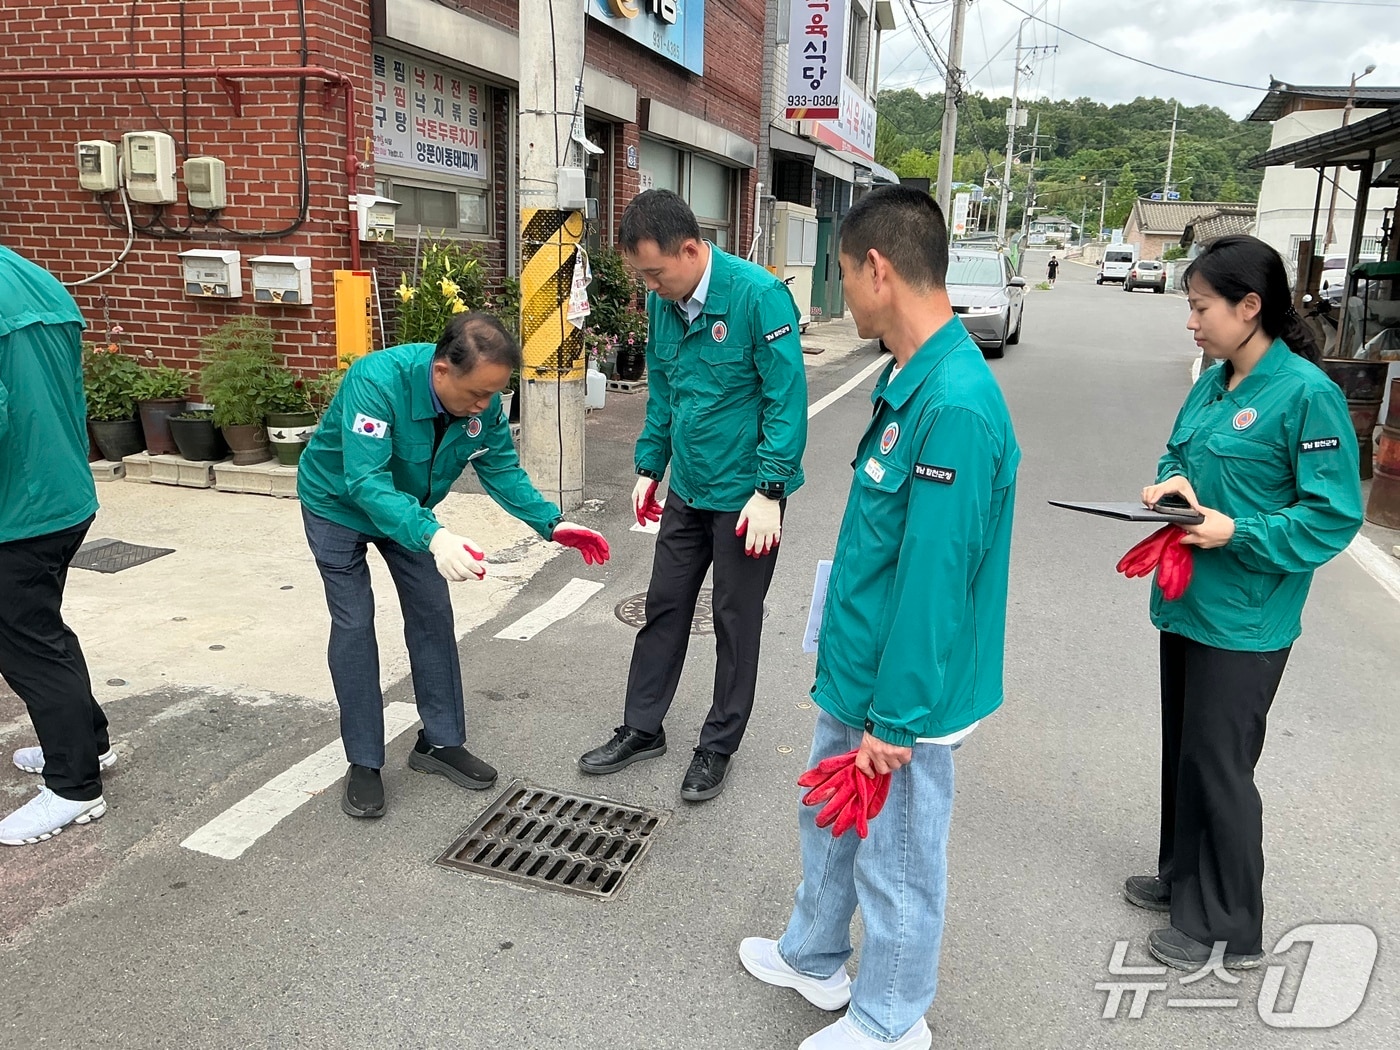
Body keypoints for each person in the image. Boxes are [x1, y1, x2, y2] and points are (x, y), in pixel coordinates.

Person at [739, 187, 1020, 1049]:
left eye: (841, 274)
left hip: (905, 698)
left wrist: (893, 720)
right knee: (831, 823)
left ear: (877, 269)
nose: (840, 294)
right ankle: (814, 956)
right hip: (860, 672)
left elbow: (936, 583)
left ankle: (892, 1020)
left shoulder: (957, 406)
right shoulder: (910, 375)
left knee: (896, 859)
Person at [1130, 235, 1363, 970]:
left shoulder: (1306, 395)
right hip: (1190, 603)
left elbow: (1332, 516)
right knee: (1186, 750)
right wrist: (1174, 485)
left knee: (1222, 762)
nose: (1191, 322)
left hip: (1247, 616)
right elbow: (1179, 450)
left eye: (1201, 308)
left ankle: (1230, 923)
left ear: (1250, 306)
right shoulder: (1216, 379)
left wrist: (1238, 530)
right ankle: (1182, 878)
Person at [297, 312, 610, 819]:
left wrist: (551, 523)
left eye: (495, 395)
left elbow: (500, 465)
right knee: (354, 623)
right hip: (337, 504)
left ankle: (439, 743)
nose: (485, 407)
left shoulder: (479, 401)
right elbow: (366, 481)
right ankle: (363, 760)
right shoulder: (376, 381)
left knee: (432, 614)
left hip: (413, 514)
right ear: (441, 371)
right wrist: (434, 535)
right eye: (477, 395)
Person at [577, 189, 807, 802]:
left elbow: (786, 400)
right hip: (690, 488)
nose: (650, 286)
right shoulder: (665, 303)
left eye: (655, 272)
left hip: (747, 498)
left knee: (735, 622)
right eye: (640, 276)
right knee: (665, 607)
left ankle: (717, 746)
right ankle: (642, 727)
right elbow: (665, 392)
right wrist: (650, 466)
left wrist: (770, 489)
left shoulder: (758, 297)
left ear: (691, 249)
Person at [0, 245, 114, 846]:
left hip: (14, 511)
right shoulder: (32, 279)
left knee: (27, 647)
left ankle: (75, 787)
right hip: (62, 493)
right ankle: (86, 742)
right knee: (42, 632)